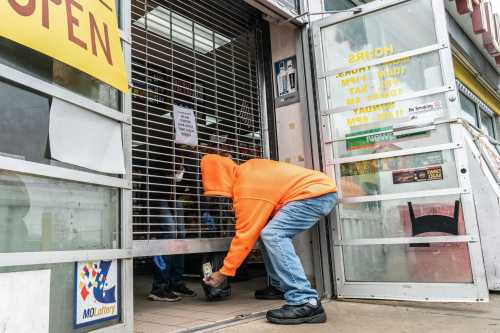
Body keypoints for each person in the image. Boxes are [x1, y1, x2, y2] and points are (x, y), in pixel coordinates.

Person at [200, 154, 337, 324]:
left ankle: (305, 301)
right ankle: (280, 286)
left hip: (315, 194)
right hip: (316, 191)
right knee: (267, 234)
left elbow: (245, 235)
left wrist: (223, 273)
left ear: (220, 179)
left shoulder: (246, 187)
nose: (223, 199)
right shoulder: (248, 170)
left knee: (273, 234)